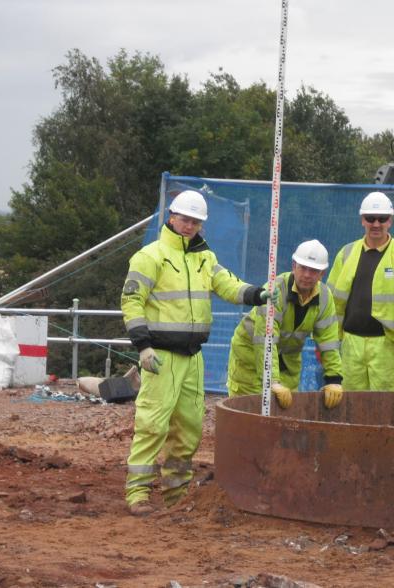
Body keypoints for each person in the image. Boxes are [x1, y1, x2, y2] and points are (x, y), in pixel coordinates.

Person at [121, 190, 277, 516]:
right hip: (160, 358)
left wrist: (259, 294)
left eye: (196, 221)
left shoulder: (205, 258)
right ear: (172, 217)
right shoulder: (150, 256)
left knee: (189, 429)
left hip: (193, 358)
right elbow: (131, 302)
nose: (190, 225)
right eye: (185, 219)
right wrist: (144, 347)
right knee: (152, 426)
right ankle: (138, 495)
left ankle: (176, 496)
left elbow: (228, 285)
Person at [226, 239, 344, 409]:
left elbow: (329, 341)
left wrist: (334, 379)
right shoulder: (275, 291)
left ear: (322, 274)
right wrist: (272, 381)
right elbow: (265, 339)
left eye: (314, 270)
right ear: (294, 266)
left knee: (286, 416)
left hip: (287, 365)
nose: (307, 275)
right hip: (251, 360)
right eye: (303, 268)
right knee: (249, 412)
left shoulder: (325, 298)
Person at [327, 191, 394, 391]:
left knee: (388, 409)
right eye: (370, 218)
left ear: (390, 221)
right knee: (350, 408)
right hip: (351, 346)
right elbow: (330, 305)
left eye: (382, 219)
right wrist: (328, 345)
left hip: (387, 347)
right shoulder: (346, 254)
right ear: (362, 220)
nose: (376, 224)